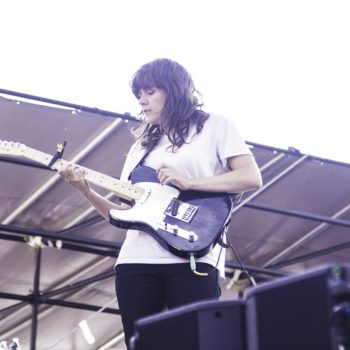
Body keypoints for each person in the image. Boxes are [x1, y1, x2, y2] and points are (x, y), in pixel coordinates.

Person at [59, 58, 262, 349]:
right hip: (136, 261)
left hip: (193, 257)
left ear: (174, 90)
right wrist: (85, 190)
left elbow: (250, 177)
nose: (142, 100)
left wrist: (190, 183)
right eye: (139, 94)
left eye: (150, 91)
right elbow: (123, 215)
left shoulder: (215, 126)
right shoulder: (141, 148)